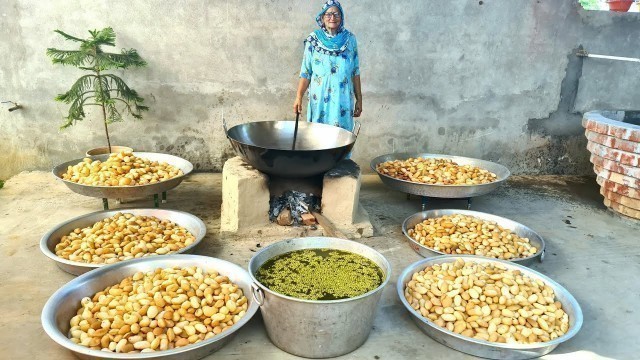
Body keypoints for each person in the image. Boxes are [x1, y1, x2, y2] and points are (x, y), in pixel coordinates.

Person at [293, 0, 362, 132]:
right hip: (319, 101)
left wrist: (359, 99)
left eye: (336, 14)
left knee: (341, 141)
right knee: (317, 140)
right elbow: (306, 72)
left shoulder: (350, 40)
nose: (332, 18)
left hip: (343, 102)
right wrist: (299, 96)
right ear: (322, 17)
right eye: (328, 14)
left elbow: (355, 72)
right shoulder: (313, 40)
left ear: (341, 17)